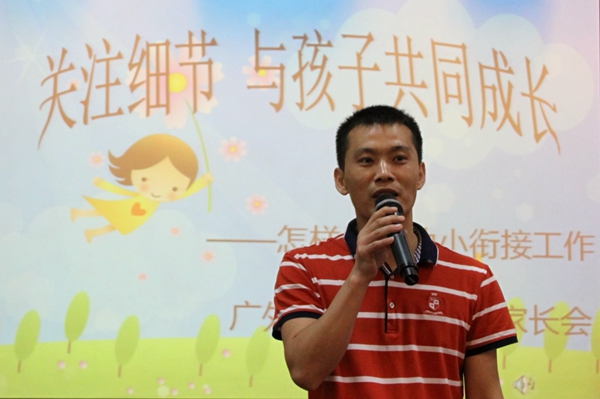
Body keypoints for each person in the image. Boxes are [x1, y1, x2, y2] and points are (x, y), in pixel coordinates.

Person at [272, 105, 517, 398]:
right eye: (366, 160)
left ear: (420, 174)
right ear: (341, 180)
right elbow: (305, 372)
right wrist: (360, 274)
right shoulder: (303, 266)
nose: (384, 173)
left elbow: (486, 392)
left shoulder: (474, 279)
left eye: (399, 159)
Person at [71, 133, 213, 243]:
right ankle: (79, 213)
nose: (157, 191)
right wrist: (103, 184)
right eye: (144, 179)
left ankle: (91, 232)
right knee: (105, 211)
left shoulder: (164, 199)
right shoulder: (140, 196)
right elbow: (122, 191)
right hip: (130, 206)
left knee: (115, 224)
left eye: (174, 189)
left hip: (140, 216)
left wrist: (203, 182)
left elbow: (188, 192)